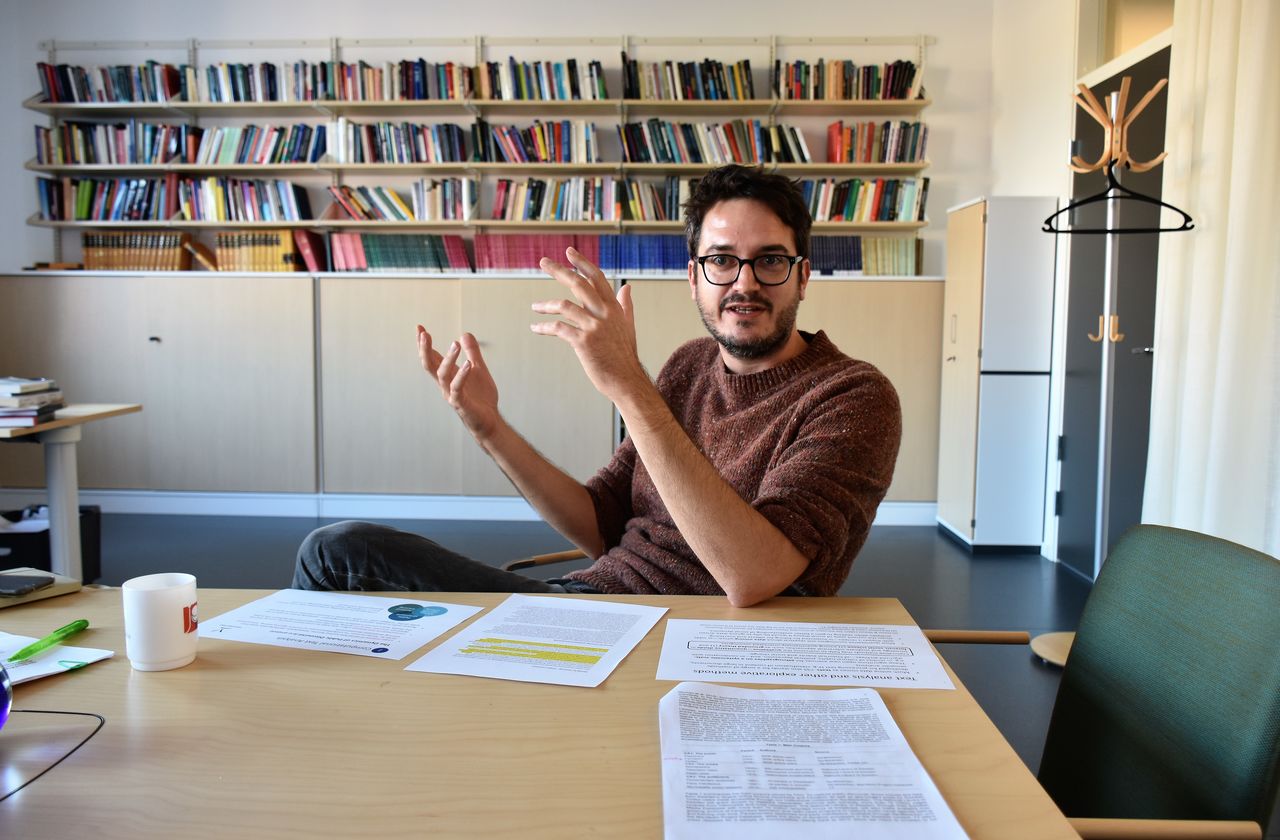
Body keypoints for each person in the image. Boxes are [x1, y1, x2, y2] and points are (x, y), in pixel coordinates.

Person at [293, 164, 901, 607]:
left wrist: (629, 386)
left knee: (335, 556)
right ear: (693, 278)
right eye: (720, 260)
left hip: (681, 638)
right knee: (341, 556)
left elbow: (753, 578)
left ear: (803, 278)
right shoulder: (689, 365)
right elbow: (600, 526)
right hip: (583, 605)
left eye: (770, 260)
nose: (744, 283)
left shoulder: (852, 398)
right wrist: (490, 429)